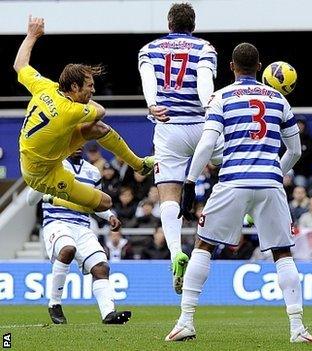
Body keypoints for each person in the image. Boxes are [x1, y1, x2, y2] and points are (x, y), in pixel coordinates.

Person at [166, 43, 312, 344]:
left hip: (233, 180)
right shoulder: (278, 99)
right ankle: (298, 328)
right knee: (282, 252)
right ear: (259, 66)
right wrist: (277, 170)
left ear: (231, 67)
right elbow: (296, 150)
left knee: (203, 245)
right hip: (270, 184)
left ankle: (186, 321)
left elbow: (208, 144)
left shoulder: (220, 98)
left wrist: (190, 182)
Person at [14, 16, 153, 216]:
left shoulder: (46, 87)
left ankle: (139, 164)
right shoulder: (70, 111)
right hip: (42, 174)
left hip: (47, 151)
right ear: (74, 87)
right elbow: (101, 111)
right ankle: (50, 197)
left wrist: (31, 35)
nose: (93, 91)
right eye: (89, 86)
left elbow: (20, 65)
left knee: (99, 129)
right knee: (105, 203)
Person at [137, 2, 221, 294]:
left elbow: (149, 79)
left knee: (168, 194)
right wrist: (209, 105)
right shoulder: (205, 48)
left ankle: (175, 252)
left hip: (169, 127)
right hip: (200, 126)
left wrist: (152, 105)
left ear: (169, 23)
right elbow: (204, 81)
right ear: (193, 25)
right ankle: (247, 211)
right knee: (232, 162)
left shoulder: (149, 49)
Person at [26, 148, 131, 325]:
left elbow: (95, 202)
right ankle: (55, 304)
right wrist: (43, 178)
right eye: (74, 142)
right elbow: (30, 200)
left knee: (101, 267)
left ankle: (108, 314)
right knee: (68, 249)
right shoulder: (53, 166)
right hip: (56, 222)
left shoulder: (92, 171)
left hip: (82, 226)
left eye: (81, 142)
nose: (79, 146)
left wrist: (110, 216)